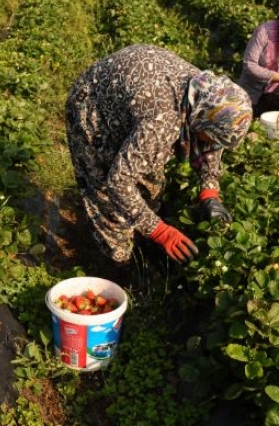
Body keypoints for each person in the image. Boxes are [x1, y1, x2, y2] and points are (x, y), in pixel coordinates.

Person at [65, 44, 252, 264]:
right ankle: (121, 264)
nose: (213, 145)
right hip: (93, 103)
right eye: (212, 138)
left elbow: (213, 141)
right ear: (201, 121)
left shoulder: (205, 94)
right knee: (107, 197)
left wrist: (209, 191)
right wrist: (160, 232)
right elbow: (119, 181)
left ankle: (143, 238)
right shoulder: (162, 121)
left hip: (134, 88)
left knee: (148, 181)